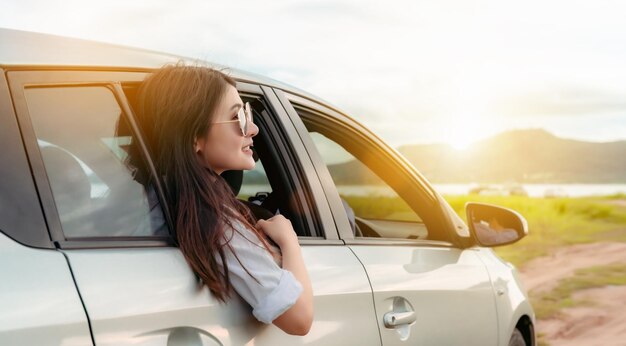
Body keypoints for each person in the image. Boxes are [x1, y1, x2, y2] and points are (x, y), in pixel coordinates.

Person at [134, 63, 313, 335]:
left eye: (247, 114)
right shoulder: (214, 219)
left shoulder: (153, 197)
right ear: (195, 136)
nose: (252, 129)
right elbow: (299, 319)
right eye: (237, 117)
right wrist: (289, 241)